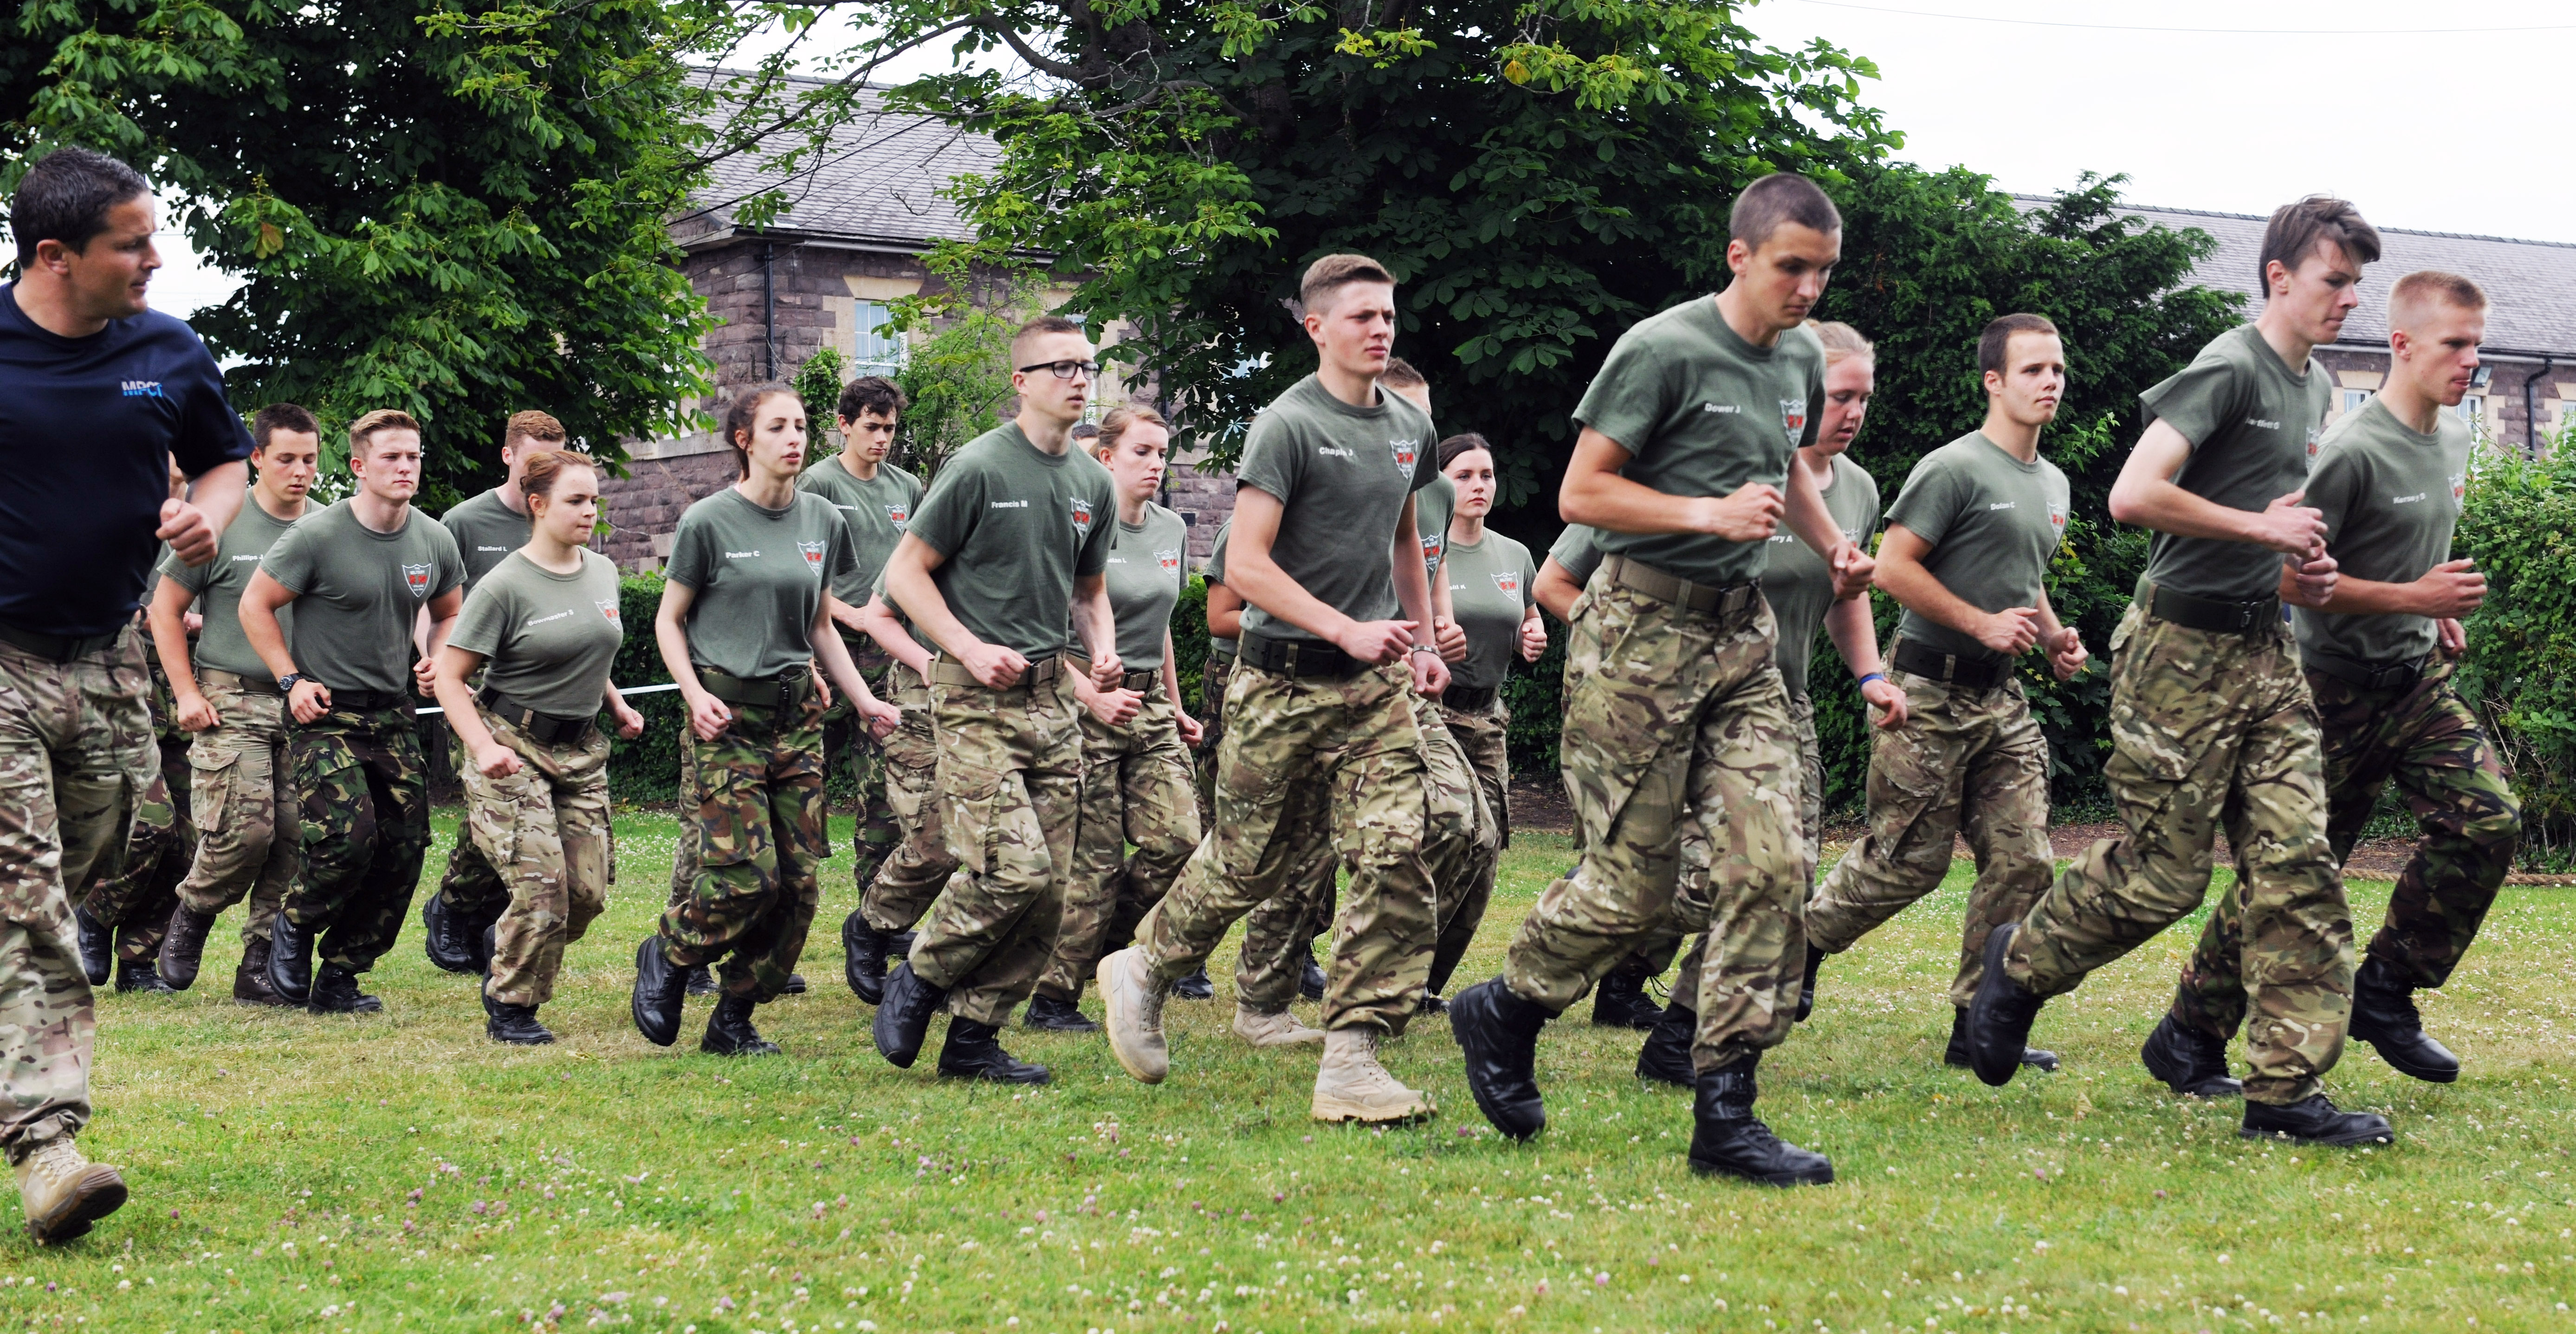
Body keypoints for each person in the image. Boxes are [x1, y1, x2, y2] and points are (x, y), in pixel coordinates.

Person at [1449, 173, 1873, 1185]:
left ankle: (1726, 1107)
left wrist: (1833, 542)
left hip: (1742, 642)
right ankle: (1506, 1007)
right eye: (1791, 269)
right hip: (1638, 630)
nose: (1807, 290)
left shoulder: (1800, 361)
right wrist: (1705, 516)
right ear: (1740, 257)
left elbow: (1793, 465)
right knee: (1633, 888)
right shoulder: (1664, 349)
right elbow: (1582, 489)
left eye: (1823, 271)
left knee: (1774, 870)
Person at [1965, 197, 2393, 1148]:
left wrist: (2301, 566)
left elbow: (2270, 528)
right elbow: (2133, 494)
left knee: (2299, 862)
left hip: (2265, 648)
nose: (2351, 298)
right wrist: (2262, 529)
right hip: (2179, 656)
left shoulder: (2318, 386)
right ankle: (2022, 961)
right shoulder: (2231, 365)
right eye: (2336, 279)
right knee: (2166, 877)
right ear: (2279, 277)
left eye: (2358, 282)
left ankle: (2282, 1094)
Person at [1098, 253, 1451, 1124]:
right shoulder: (1287, 425)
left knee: (1396, 848)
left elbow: (1405, 535)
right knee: (1245, 864)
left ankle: (1354, 1055)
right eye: (1362, 315)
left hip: (1371, 689)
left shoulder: (1410, 426)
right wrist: (1343, 625)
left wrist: (1419, 633)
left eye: (1388, 315)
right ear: (1317, 327)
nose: (1380, 329)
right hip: (1279, 681)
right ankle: (1141, 967)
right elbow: (1247, 565)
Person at [2167, 271, 2520, 1086]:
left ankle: (2387, 988)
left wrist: (2431, 607)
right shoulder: (2353, 450)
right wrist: (2415, 594)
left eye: (2478, 343)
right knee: (2294, 869)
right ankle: (2188, 1031)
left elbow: (2406, 545)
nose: (2473, 360)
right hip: (2331, 691)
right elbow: (2287, 580)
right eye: (2455, 345)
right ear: (2402, 345)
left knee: (2490, 819)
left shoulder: (2457, 436)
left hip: (2416, 680)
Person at [0, 144, 249, 1242]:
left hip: (108, 661)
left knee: (113, 852)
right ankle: (47, 1145)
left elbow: (224, 462)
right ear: (56, 255)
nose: (156, 258)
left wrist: (206, 519)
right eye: (132, 243)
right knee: (28, 899)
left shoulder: (168, 349)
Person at [1796, 314, 2085, 1073]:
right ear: (1994, 381)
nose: (2050, 381)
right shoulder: (1953, 468)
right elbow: (1892, 567)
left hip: (2001, 700)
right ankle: (1797, 949)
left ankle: (1980, 1022)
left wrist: (2053, 636)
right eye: (2033, 370)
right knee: (1903, 863)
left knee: (2024, 860)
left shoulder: (2053, 482)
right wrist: (1981, 622)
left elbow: (2024, 578)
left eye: (2057, 369)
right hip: (1928, 687)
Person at [870, 316, 1122, 1086]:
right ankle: (920, 971)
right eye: (1060, 367)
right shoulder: (978, 467)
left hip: (1052, 700)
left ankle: (975, 1038)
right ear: (1021, 381)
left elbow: (1089, 591)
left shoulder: (1092, 481)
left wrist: (1102, 647)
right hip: (973, 697)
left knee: (1051, 890)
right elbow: (906, 575)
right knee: (1014, 869)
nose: (1078, 378)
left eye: (1087, 366)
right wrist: (970, 646)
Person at [631, 384, 899, 1055]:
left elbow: (819, 623)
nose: (795, 437)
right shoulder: (709, 521)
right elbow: (669, 619)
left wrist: (864, 701)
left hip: (797, 720)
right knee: (746, 875)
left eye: (802, 425)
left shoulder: (821, 520)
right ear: (744, 440)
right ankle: (668, 953)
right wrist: (693, 693)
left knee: (800, 885)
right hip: (728, 721)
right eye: (778, 426)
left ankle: (734, 1018)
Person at [240, 409, 464, 1014]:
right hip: (325, 711)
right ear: (360, 467)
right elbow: (255, 605)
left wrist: (434, 658)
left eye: (414, 456)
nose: (406, 467)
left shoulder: (432, 538)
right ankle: (292, 924)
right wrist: (290, 679)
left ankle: (341, 971)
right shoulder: (318, 536)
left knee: (404, 847)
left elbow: (447, 612)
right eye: (392, 457)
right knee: (347, 838)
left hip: (392, 712)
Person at [431, 449, 645, 1043]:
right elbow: (451, 677)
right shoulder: (504, 585)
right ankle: (512, 1004)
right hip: (510, 742)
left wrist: (618, 704)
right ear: (538, 505)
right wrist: (479, 747)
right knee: (543, 890)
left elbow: (585, 650)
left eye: (594, 501)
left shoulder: (603, 572)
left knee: (587, 894)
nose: (590, 512)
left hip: (581, 752)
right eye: (576, 501)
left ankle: (498, 935)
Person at [1026, 406, 1206, 1031]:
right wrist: (1091, 697)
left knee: (1180, 841)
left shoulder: (1170, 529)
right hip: (1083, 700)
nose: (1156, 465)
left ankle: (1109, 950)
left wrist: (1176, 706)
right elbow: (1040, 636)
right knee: (1092, 864)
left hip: (1148, 703)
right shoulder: (1074, 528)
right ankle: (1052, 995)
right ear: (1106, 458)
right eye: (1142, 452)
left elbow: (1159, 633)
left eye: (1162, 454)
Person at [151, 404, 319, 1004]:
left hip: (303, 706)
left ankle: (258, 965)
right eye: (286, 460)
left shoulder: (327, 527)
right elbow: (163, 611)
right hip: (230, 697)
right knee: (245, 832)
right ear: (257, 458)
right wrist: (187, 694)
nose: (299, 472)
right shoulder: (221, 524)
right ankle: (192, 914)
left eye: (309, 460)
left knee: (295, 838)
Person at [422, 409, 570, 977]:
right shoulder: (464, 521)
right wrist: (431, 661)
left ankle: (476, 912)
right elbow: (435, 602)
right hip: (478, 691)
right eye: (534, 459)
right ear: (507, 456)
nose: (543, 471)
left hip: (544, 690)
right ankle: (457, 909)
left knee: (527, 815)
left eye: (553, 460)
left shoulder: (561, 514)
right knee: (500, 808)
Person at [1420, 434, 1545, 1008]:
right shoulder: (1424, 548)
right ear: (1442, 481)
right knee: (1443, 842)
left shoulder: (1514, 555)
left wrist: (1533, 634)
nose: (1479, 486)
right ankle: (1394, 972)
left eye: (1487, 475)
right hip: (1432, 714)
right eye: (1465, 475)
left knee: (1486, 855)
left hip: (1488, 719)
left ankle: (1426, 985)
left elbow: (1529, 619)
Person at [1202, 520, 1333, 1041]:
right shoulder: (1245, 526)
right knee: (1237, 834)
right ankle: (1186, 956)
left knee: (1316, 832)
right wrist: (1314, 622)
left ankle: (1297, 952)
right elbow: (1220, 617)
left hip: (1320, 684)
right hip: (1252, 681)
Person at [803, 377, 924, 929]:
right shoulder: (818, 484)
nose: (882, 438)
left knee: (886, 792)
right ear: (845, 425)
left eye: (890, 428)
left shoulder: (908, 488)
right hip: (828, 651)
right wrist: (856, 616)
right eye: (871, 427)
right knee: (801, 788)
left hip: (891, 658)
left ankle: (878, 923)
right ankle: (775, 923)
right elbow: (804, 575)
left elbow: (922, 569)